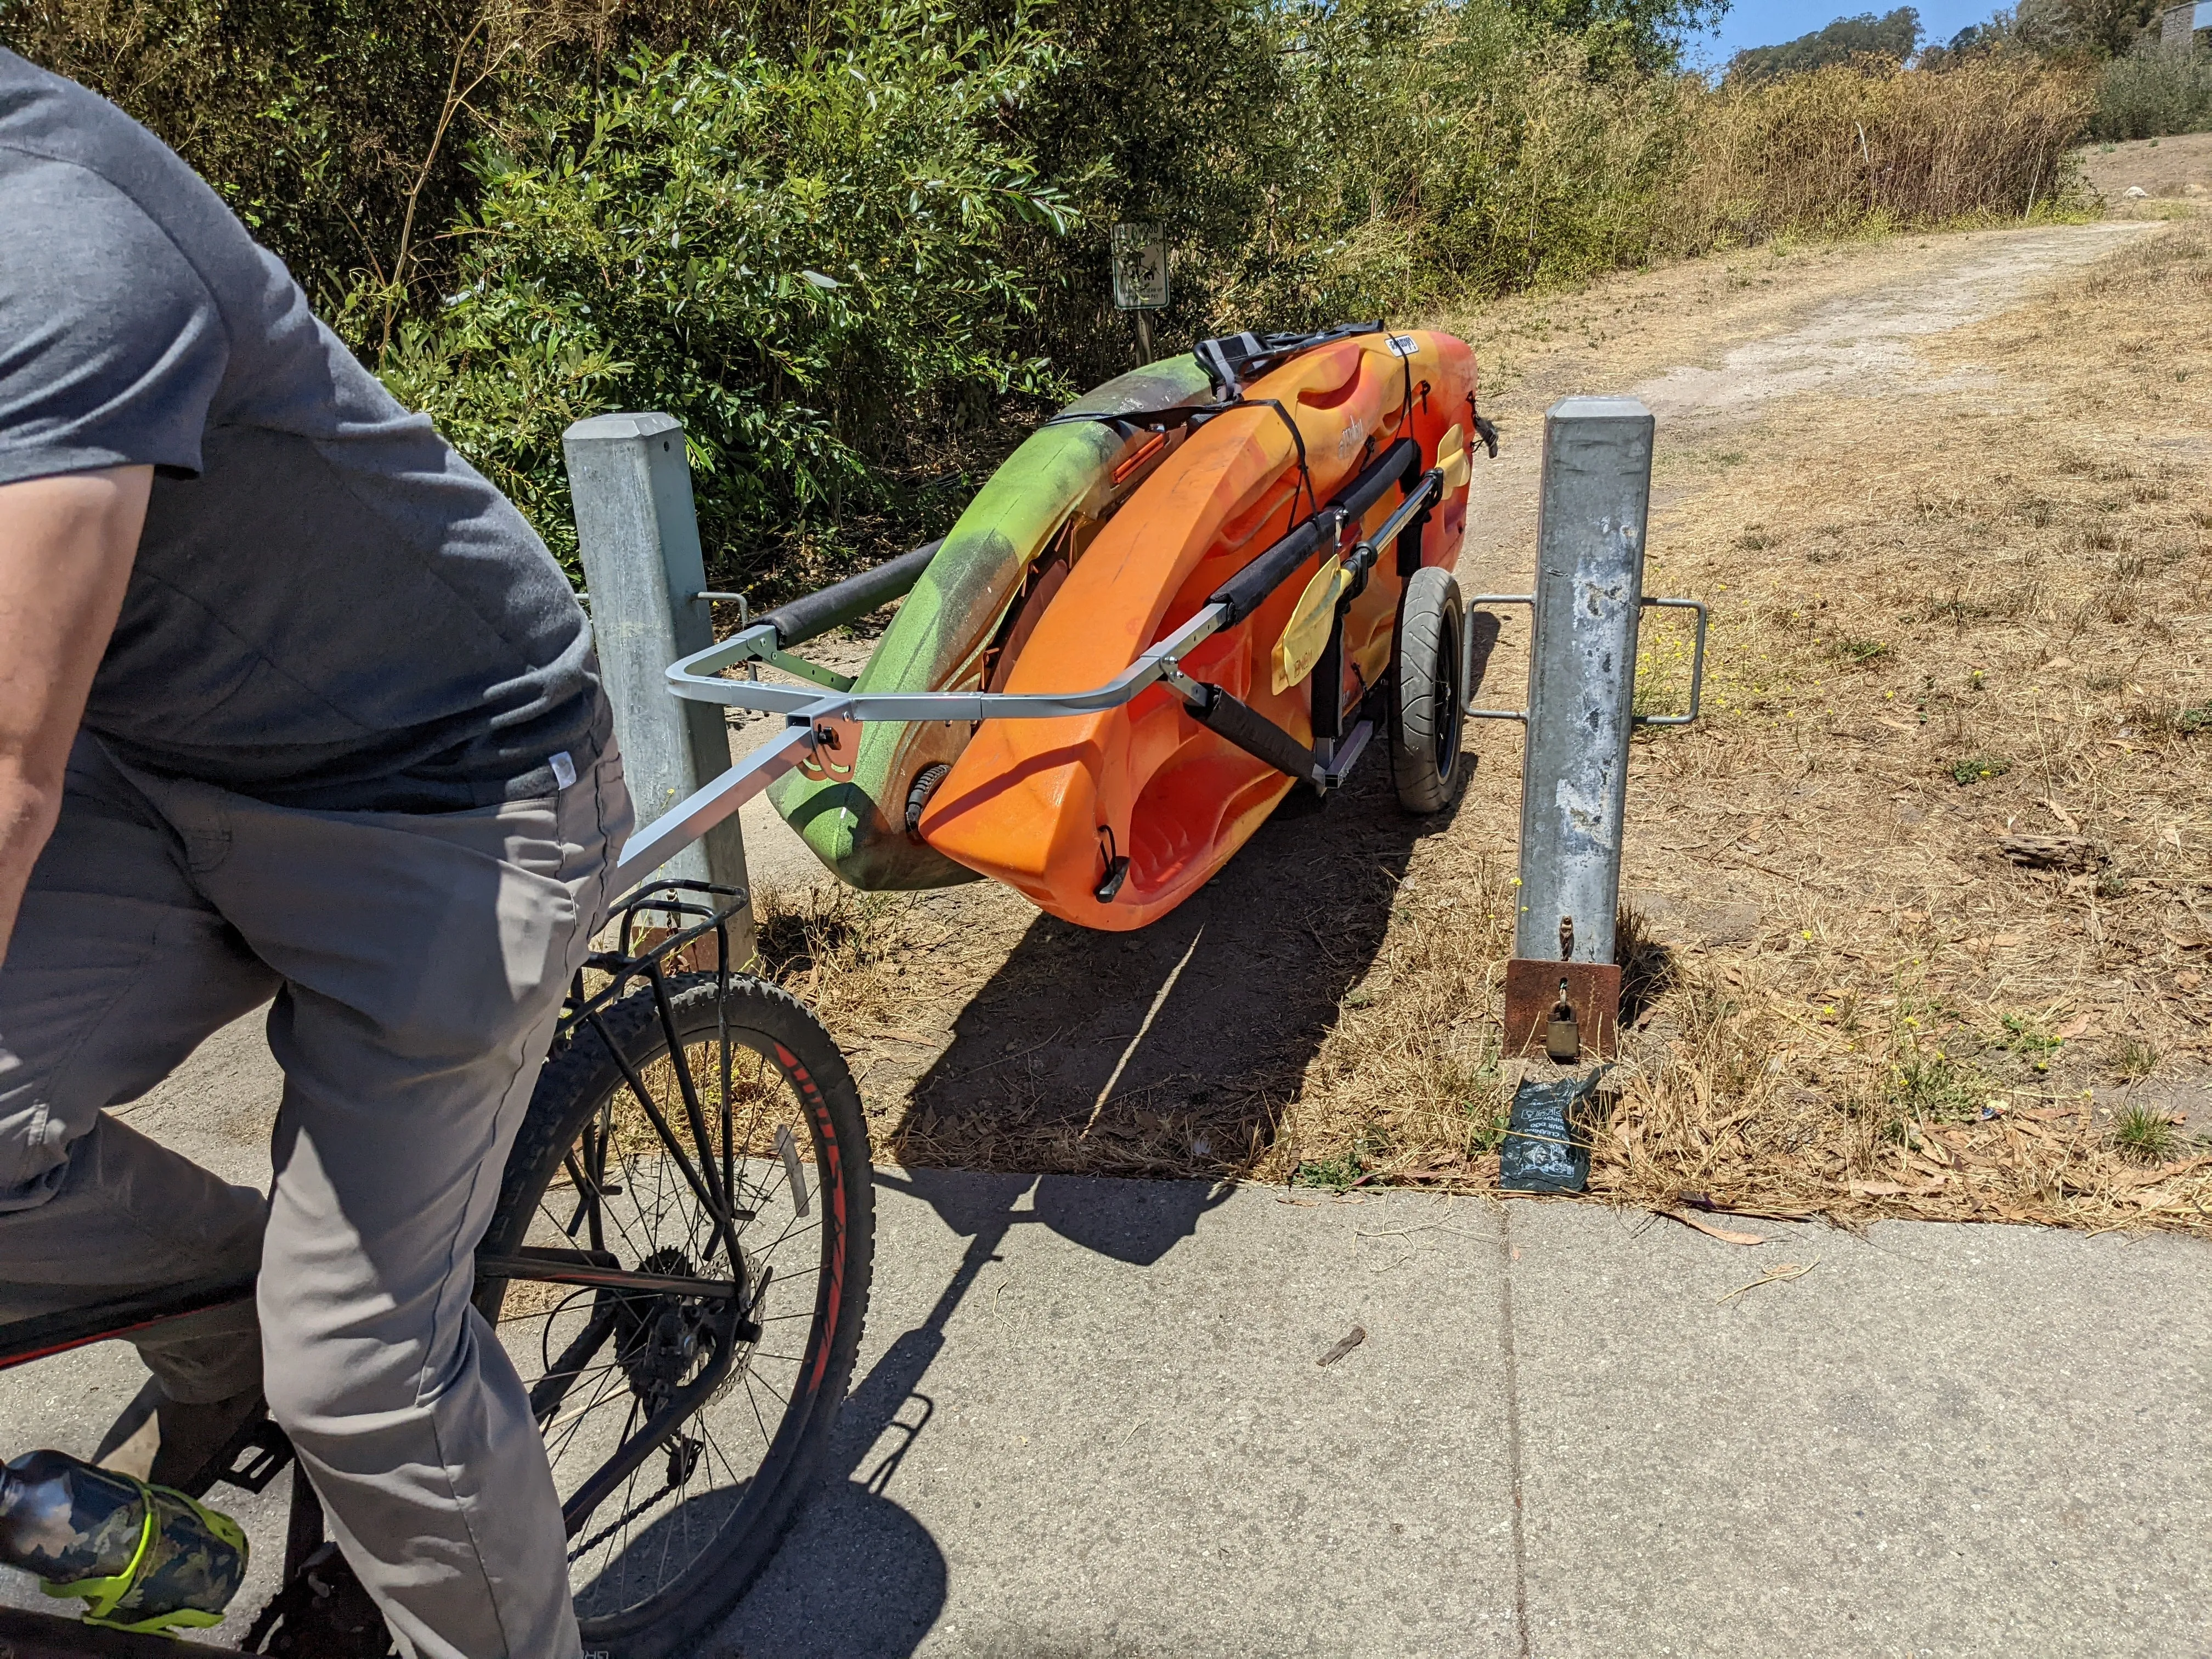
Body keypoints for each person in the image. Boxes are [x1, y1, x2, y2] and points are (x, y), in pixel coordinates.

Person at [0, 46, 630, 1659]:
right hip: (162, 771)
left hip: (445, 787)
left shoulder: (57, 255)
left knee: (362, 1373)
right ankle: (228, 1323)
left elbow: (8, 769)